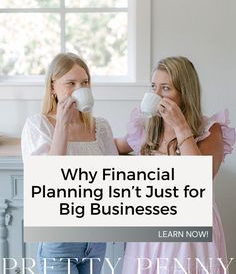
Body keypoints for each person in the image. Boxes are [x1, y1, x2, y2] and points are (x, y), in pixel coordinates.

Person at [115, 56, 235, 273]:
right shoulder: (146, 127)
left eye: (166, 88)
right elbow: (115, 146)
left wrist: (180, 126)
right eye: (154, 87)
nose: (157, 95)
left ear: (184, 93)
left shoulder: (211, 129)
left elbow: (200, 181)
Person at [21, 52, 118, 274]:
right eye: (70, 83)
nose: (79, 89)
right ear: (53, 87)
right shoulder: (37, 126)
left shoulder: (100, 126)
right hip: (59, 240)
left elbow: (112, 179)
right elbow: (48, 182)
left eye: (84, 83)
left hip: (95, 242)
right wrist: (62, 125)